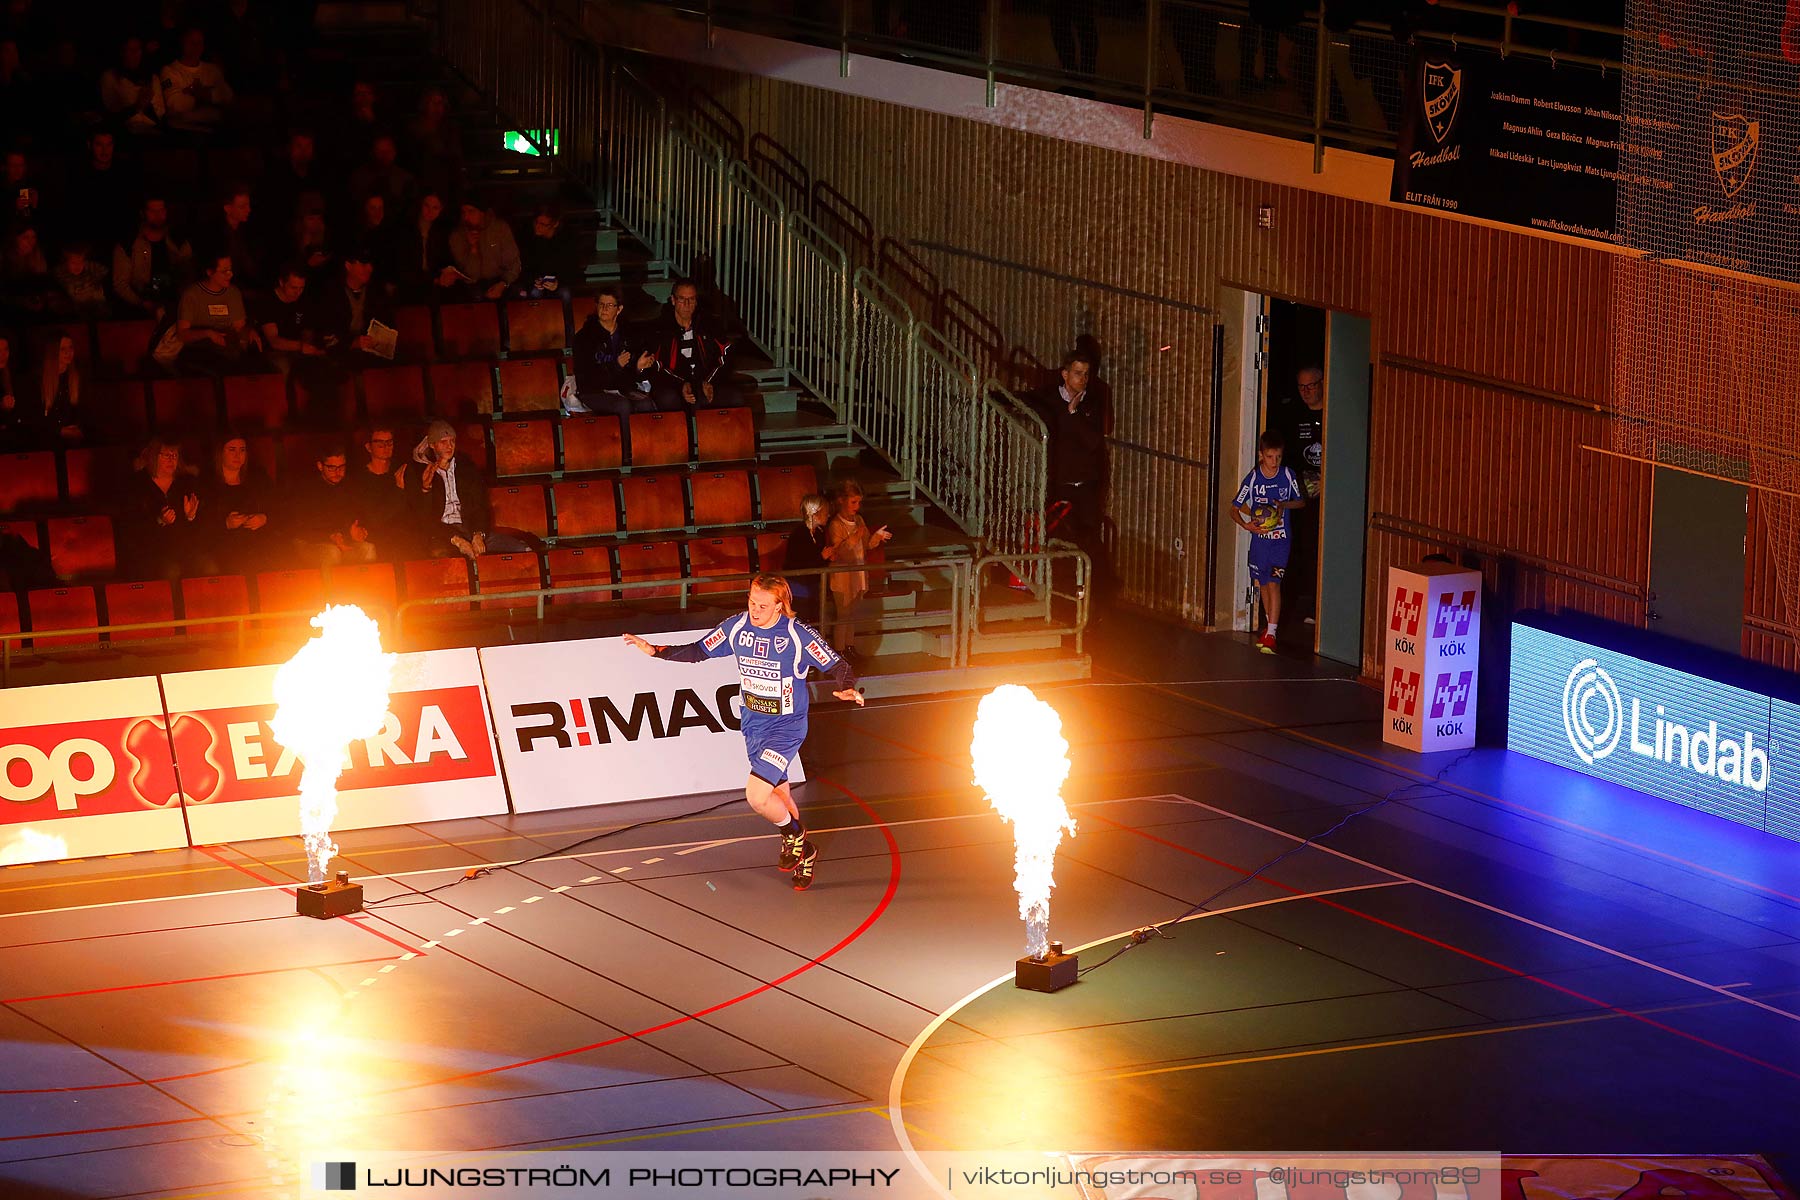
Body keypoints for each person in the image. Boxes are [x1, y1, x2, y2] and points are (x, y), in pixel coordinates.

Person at [621, 575, 863, 892]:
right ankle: (806, 853)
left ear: (780, 605)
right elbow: (697, 651)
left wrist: (846, 689)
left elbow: (838, 665)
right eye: (751, 602)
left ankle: (794, 834)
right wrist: (655, 651)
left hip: (786, 727)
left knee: (757, 796)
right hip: (753, 725)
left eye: (763, 605)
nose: (755, 610)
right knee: (780, 796)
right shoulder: (737, 627)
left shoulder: (796, 635)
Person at [1028, 350, 1109, 597]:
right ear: (1065, 375)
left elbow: (1093, 441)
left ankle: (1091, 594)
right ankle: (1058, 588)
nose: (1082, 379)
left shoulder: (1093, 403)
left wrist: (1074, 414)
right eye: (1077, 374)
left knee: (1089, 538)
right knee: (1057, 534)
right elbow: (1023, 399)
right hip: (1059, 483)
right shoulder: (1049, 398)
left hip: (1085, 485)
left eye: (1086, 375)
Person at [1232, 429, 1304, 654]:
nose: (1275, 462)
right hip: (1260, 540)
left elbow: (1301, 502)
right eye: (1271, 457)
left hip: (1281, 539)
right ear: (1261, 455)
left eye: (1279, 457)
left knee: (1274, 582)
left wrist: (1283, 505)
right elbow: (1234, 507)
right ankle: (1267, 626)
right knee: (1262, 583)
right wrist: (1246, 524)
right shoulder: (1254, 478)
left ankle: (1272, 633)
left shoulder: (1288, 475)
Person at [1269, 364, 1324, 627]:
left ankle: (1322, 604)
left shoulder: (1333, 413)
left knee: (1323, 550)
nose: (1306, 392)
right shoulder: (1295, 417)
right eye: (1301, 387)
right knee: (1303, 549)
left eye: (1311, 385)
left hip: (1331, 496)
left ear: (1322, 383)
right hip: (1302, 496)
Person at [400, 419, 495, 560]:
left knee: (518, 549)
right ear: (432, 445)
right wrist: (426, 488)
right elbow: (423, 518)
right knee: (448, 559)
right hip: (441, 534)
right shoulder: (419, 471)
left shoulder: (466, 467)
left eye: (452, 441)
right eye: (443, 442)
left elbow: (480, 505)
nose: (449, 446)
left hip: (469, 527)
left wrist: (478, 534)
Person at [119, 434, 208, 581]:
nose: (171, 459)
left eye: (175, 455)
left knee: (207, 567)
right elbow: (132, 528)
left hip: (184, 550)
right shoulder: (137, 485)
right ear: (154, 456)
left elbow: (201, 528)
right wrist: (159, 521)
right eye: (166, 455)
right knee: (170, 571)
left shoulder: (187, 483)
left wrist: (190, 517)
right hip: (152, 552)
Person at [642, 278, 738, 410]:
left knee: (733, 397)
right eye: (682, 299)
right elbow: (655, 365)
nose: (687, 304)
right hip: (671, 383)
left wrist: (709, 382)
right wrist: (681, 384)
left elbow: (726, 354)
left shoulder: (708, 325)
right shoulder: (660, 329)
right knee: (669, 399)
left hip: (704, 380)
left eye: (691, 299)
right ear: (673, 300)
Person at [825, 480, 890, 661]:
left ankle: (850, 646)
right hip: (842, 577)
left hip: (858, 573)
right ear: (841, 501)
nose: (857, 506)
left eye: (859, 502)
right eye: (853, 502)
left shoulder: (859, 520)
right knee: (843, 614)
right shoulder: (836, 524)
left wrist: (876, 537)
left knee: (852, 614)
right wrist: (855, 536)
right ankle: (839, 650)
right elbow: (840, 552)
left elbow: (867, 544)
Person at [287, 444, 378, 568]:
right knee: (332, 553)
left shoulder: (350, 486)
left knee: (368, 549)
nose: (338, 472)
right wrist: (331, 536)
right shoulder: (306, 490)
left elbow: (360, 515)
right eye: (331, 468)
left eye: (341, 467)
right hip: (310, 542)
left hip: (341, 541)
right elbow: (303, 526)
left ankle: (366, 587)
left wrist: (357, 531)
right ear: (320, 466)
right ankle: (329, 588)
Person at [197, 431, 276, 572]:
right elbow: (200, 524)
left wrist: (264, 518)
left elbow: (278, 507)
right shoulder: (206, 483)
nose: (237, 455)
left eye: (242, 450)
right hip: (222, 544)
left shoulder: (258, 478)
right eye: (232, 450)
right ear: (220, 453)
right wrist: (225, 523)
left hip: (255, 542)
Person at [569, 285, 654, 415]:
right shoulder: (584, 337)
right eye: (601, 304)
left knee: (646, 404)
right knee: (623, 406)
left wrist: (638, 367)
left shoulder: (628, 333)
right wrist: (616, 366)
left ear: (619, 309)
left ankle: (643, 436)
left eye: (609, 305)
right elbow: (586, 377)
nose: (604, 309)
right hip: (593, 391)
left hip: (622, 388)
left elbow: (632, 375)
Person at [171, 253, 262, 372]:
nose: (230, 274)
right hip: (200, 351)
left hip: (228, 348)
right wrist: (208, 333)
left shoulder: (233, 293)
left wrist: (249, 331)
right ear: (210, 272)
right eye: (225, 271)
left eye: (231, 270)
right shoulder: (192, 295)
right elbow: (182, 334)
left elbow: (239, 327)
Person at [114, 196, 192, 321]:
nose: (158, 215)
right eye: (152, 211)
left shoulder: (178, 240)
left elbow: (188, 274)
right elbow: (120, 284)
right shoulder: (128, 244)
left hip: (175, 304)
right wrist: (142, 303)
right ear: (143, 213)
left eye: (161, 210)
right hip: (140, 306)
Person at [158, 26, 234, 133]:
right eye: (191, 42)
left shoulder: (212, 70)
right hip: (183, 132)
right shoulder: (170, 71)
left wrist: (198, 93)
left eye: (200, 42)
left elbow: (227, 95)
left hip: (214, 132)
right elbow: (174, 103)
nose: (196, 47)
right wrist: (206, 96)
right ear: (182, 43)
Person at [351, 424, 411, 558]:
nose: (386, 447)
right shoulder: (360, 479)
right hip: (374, 536)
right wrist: (398, 491)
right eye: (380, 443)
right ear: (368, 447)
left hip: (402, 537)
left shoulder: (402, 471)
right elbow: (374, 517)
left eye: (389, 442)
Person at [441, 200, 519, 300]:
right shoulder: (457, 236)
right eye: (464, 212)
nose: (466, 217)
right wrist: (473, 249)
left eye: (471, 211)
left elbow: (513, 263)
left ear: (482, 213)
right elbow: (470, 275)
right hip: (472, 284)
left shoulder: (500, 229)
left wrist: (503, 284)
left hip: (499, 279)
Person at [100, 35, 164, 137]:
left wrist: (146, 105)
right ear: (122, 52)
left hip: (151, 135)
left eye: (138, 49)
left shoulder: (153, 78)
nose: (135, 53)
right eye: (130, 49)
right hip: (123, 135)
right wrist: (137, 106)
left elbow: (159, 114)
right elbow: (110, 114)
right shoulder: (111, 77)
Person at [782, 493, 831, 626]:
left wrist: (826, 558)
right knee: (800, 621)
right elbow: (798, 563)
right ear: (814, 513)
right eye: (825, 512)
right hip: (799, 586)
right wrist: (821, 557)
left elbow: (819, 562)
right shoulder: (799, 534)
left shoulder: (819, 533)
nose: (828, 515)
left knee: (815, 619)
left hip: (814, 585)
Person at [32, 331, 86, 447]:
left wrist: (76, 428)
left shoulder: (77, 377)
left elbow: (82, 410)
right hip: (46, 440)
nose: (68, 352)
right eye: (62, 349)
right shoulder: (38, 380)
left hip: (72, 438)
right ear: (53, 352)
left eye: (71, 347)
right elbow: (35, 419)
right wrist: (59, 431)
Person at [517, 202, 580, 299]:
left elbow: (572, 268)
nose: (537, 226)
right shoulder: (528, 237)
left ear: (555, 224)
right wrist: (535, 280)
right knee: (534, 293)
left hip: (559, 282)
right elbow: (525, 266)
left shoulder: (567, 239)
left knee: (565, 293)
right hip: (536, 283)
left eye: (542, 224)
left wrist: (558, 283)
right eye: (536, 222)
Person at [50, 244, 110, 318]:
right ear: (66, 263)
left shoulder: (93, 269)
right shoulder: (61, 275)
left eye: (81, 262)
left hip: (99, 310)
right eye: (73, 263)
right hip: (76, 314)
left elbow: (106, 272)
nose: (77, 265)